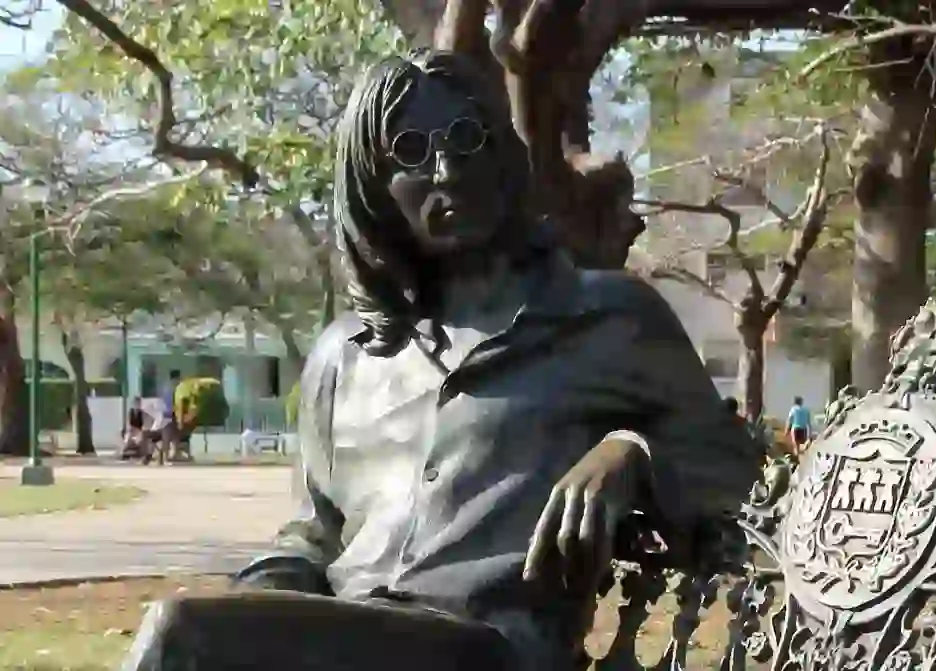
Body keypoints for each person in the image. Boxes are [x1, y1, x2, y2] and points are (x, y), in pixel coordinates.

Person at [122, 50, 759, 671]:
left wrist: (631, 454)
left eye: (465, 137)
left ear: (503, 155)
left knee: (180, 636)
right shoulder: (344, 357)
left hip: (487, 646)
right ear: (372, 188)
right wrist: (252, 609)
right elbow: (311, 536)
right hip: (346, 640)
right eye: (410, 152)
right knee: (207, 634)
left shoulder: (608, 317)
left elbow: (742, 474)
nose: (447, 169)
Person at [121, 397, 150, 462]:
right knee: (128, 437)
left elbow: (144, 424)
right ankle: (124, 452)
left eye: (139, 403)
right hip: (132, 430)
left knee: (141, 437)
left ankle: (143, 454)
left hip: (139, 430)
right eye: (136, 403)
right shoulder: (131, 412)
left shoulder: (142, 413)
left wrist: (139, 430)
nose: (137, 405)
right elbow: (128, 424)